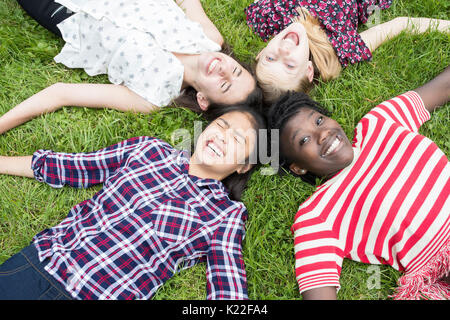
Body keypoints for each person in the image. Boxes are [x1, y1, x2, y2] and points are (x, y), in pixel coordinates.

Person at [0, 104, 267, 300]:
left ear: (244, 166)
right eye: (222, 125)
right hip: (41, 261)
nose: (223, 136)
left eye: (238, 139)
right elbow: (74, 166)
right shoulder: (148, 150)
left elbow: (228, 289)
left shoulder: (224, 215)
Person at [267, 65, 450, 299]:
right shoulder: (316, 214)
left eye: (319, 120)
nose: (322, 134)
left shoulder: (378, 123)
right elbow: (318, 292)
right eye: (304, 140)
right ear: (298, 167)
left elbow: (443, 85)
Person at [0, 0, 262, 134]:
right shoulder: (211, 40)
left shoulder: (153, 95)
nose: (225, 70)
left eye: (225, 84)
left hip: (67, 10)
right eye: (236, 70)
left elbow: (61, 93)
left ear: (203, 100)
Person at [245, 0, 450, 104]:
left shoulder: (264, 18)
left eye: (270, 58)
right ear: (308, 70)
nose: (284, 50)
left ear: (261, 52)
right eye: (289, 65)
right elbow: (400, 24)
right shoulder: (339, 49)